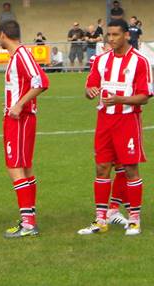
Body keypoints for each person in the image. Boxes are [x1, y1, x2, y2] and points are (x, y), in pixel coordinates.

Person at [80, 19, 151, 236]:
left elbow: (145, 97)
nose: (110, 39)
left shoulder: (140, 61)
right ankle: (101, 220)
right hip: (104, 121)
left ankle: (134, 220)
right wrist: (90, 91)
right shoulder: (101, 60)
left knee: (130, 169)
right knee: (102, 167)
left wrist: (120, 100)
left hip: (127, 122)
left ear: (126, 35)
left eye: (115, 35)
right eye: (108, 35)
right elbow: (90, 85)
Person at [0, 20, 49, 238]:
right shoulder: (16, 56)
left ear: (2, 35)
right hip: (17, 117)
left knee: (15, 167)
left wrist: (18, 105)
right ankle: (29, 217)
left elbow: (41, 81)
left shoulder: (22, 55)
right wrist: (11, 103)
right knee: (24, 167)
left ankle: (28, 223)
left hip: (21, 119)